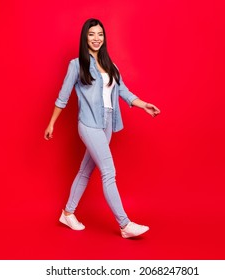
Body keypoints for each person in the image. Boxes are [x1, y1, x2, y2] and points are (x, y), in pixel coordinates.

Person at [44, 18, 160, 238]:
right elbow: (63, 96)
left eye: (100, 34)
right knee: (109, 172)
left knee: (85, 171)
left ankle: (68, 213)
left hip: (107, 123)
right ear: (85, 38)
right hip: (88, 123)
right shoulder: (76, 65)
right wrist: (51, 123)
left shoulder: (111, 65)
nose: (96, 38)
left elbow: (123, 91)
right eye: (91, 34)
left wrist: (143, 104)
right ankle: (125, 225)